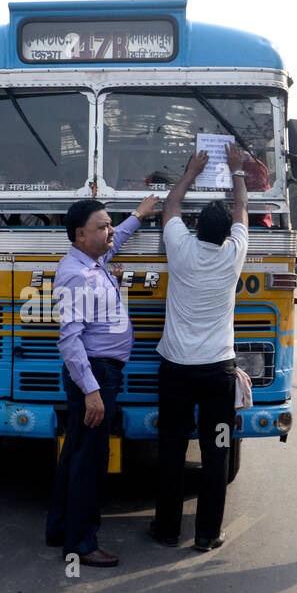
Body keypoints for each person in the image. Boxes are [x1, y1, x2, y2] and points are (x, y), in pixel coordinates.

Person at [48, 191, 160, 567]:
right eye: (103, 226)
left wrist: (138, 216)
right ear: (81, 235)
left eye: (111, 224)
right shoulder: (77, 275)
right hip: (94, 375)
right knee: (90, 463)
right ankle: (81, 544)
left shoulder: (93, 262)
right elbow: (69, 339)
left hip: (98, 373)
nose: (111, 231)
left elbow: (118, 240)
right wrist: (92, 391)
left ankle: (61, 528)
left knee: (75, 454)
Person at [150, 143, 247, 552]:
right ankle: (207, 535)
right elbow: (242, 209)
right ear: (227, 235)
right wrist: (237, 170)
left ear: (195, 228)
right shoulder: (233, 256)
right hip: (217, 374)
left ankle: (167, 530)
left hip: (175, 369)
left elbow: (170, 205)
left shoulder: (180, 248)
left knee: (171, 450)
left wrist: (191, 172)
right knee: (217, 452)